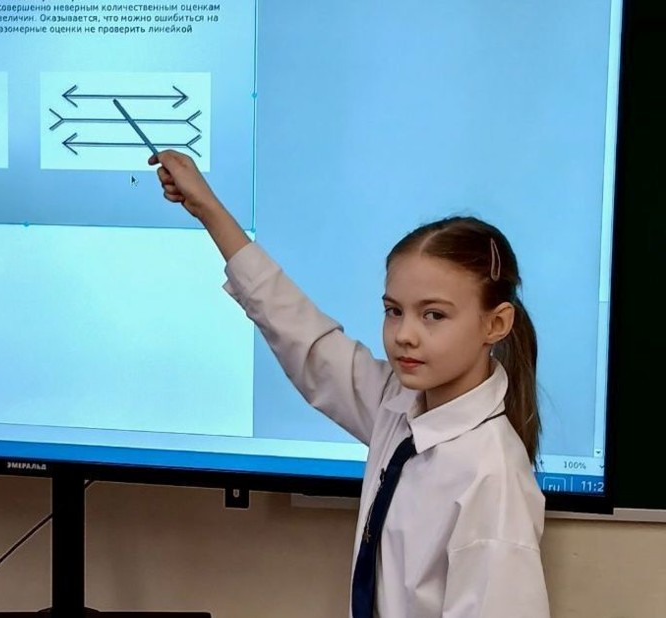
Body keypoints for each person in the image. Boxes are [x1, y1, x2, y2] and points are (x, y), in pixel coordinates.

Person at [149, 150, 550, 617]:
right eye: (393, 311)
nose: (405, 334)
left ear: (496, 324)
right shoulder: (399, 405)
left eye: (434, 315)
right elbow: (305, 339)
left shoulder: (492, 477)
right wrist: (208, 209)